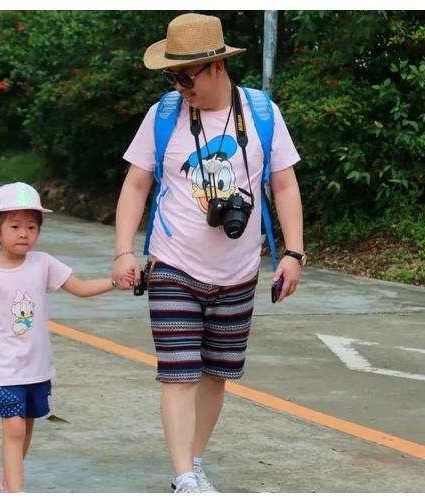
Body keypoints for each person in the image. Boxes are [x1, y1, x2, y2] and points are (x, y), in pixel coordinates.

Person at [112, 13, 305, 493]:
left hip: (238, 273)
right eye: (171, 76)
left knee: (216, 375)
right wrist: (123, 251)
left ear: (216, 67)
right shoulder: (164, 115)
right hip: (173, 265)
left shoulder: (262, 113)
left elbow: (284, 184)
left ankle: (194, 463)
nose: (178, 87)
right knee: (179, 375)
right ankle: (183, 478)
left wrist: (294, 252)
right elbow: (136, 183)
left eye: (185, 76)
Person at [0, 182, 119, 493]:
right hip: (4, 368)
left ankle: (9, 481)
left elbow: (79, 288)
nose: (24, 233)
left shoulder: (43, 263)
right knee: (13, 428)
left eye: (32, 226)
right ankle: (17, 493)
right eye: (14, 226)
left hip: (37, 366)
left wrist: (114, 283)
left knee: (25, 427)